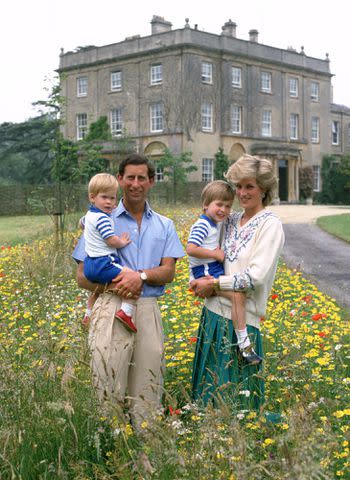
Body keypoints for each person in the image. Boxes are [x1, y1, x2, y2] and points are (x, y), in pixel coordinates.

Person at [72, 154, 185, 429]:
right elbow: (81, 276)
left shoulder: (164, 225)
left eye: (142, 178)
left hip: (147, 310)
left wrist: (141, 276)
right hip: (111, 306)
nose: (135, 184)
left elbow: (168, 272)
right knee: (107, 386)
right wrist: (118, 285)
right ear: (120, 179)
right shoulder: (99, 218)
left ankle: (146, 455)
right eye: (130, 178)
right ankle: (113, 453)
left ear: (151, 181)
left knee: (148, 387)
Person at [190, 154, 285, 411]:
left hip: (243, 321)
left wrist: (214, 284)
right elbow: (202, 244)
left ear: (263, 189)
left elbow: (254, 277)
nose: (242, 193)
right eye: (239, 186)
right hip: (213, 314)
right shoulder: (229, 220)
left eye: (249, 186)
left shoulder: (270, 225)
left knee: (238, 404)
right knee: (209, 397)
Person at [186, 180, 262, 365]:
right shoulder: (203, 225)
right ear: (205, 205)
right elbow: (190, 248)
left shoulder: (214, 223)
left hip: (212, 270)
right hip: (206, 272)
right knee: (237, 296)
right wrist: (215, 254)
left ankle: (243, 342)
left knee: (238, 296)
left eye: (228, 206)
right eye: (219, 204)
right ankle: (244, 346)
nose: (224, 210)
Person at [82, 172, 138, 333]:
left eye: (113, 198)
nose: (109, 202)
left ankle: (88, 314)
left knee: (97, 290)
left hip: (89, 265)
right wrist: (122, 241)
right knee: (131, 277)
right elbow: (110, 240)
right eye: (104, 197)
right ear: (92, 197)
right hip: (104, 262)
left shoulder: (89, 215)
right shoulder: (103, 219)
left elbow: (83, 224)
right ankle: (126, 312)